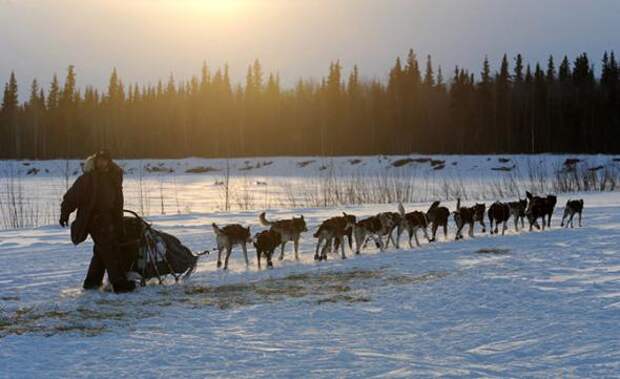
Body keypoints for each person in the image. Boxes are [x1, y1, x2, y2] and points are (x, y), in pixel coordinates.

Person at [60, 150, 136, 293]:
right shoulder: (88, 179)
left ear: (109, 161)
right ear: (95, 161)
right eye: (99, 160)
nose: (102, 163)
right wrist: (65, 213)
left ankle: (92, 282)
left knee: (101, 251)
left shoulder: (114, 177)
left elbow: (118, 201)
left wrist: (118, 220)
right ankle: (120, 284)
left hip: (110, 218)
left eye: (105, 160)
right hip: (95, 220)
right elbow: (71, 197)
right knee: (110, 249)